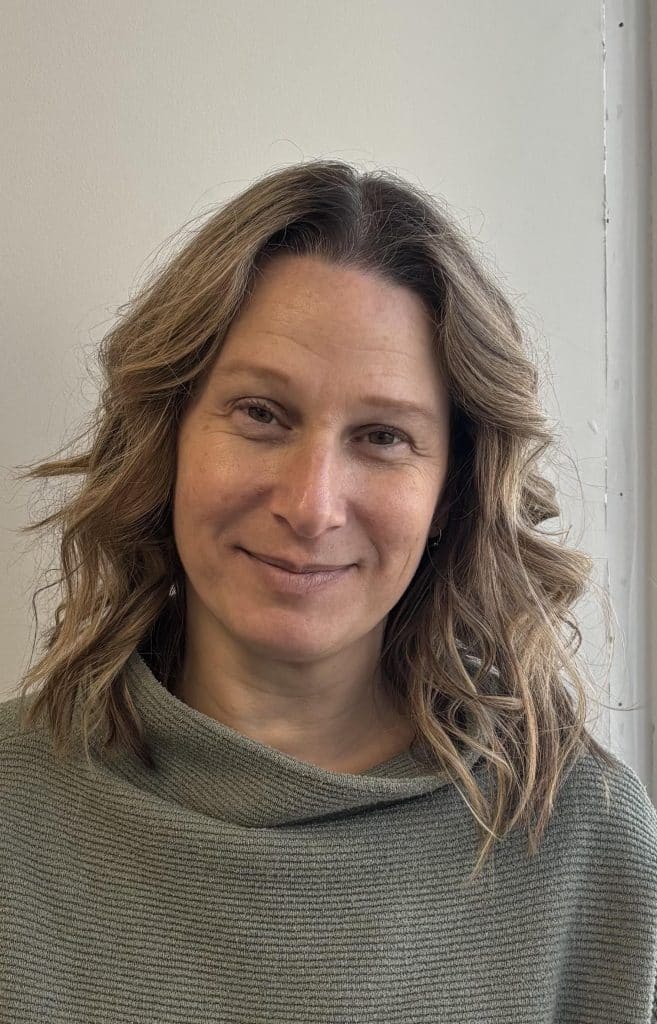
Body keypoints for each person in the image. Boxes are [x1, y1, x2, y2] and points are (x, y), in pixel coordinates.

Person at [2, 160, 656, 1023]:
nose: (311, 506)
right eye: (260, 414)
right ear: (168, 437)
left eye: (382, 436)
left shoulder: (579, 839)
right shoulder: (13, 807)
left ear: (450, 492)